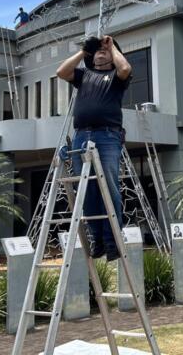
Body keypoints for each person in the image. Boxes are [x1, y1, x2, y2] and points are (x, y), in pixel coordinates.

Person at [57, 34, 132, 261]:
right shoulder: (84, 75)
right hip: (81, 136)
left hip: (107, 135)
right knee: (86, 189)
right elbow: (61, 72)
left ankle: (112, 242)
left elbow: (126, 68)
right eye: (97, 50)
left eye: (105, 50)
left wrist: (112, 47)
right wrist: (84, 51)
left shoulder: (116, 76)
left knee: (108, 186)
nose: (101, 51)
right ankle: (97, 239)